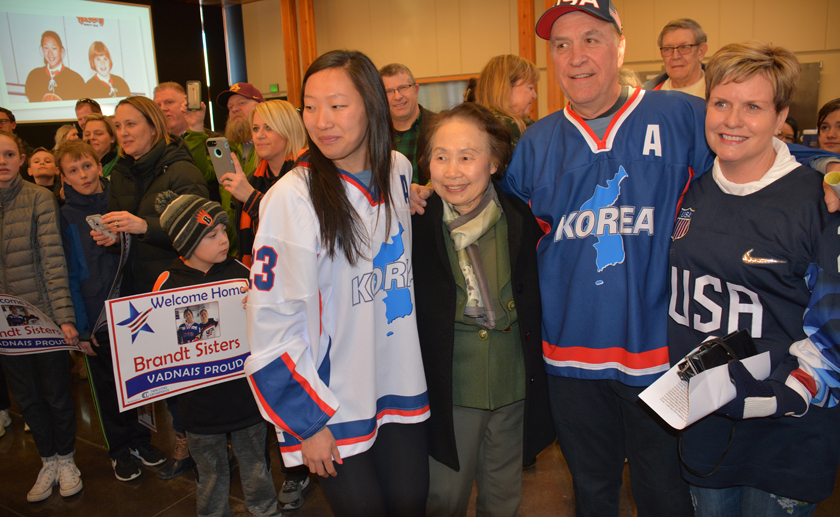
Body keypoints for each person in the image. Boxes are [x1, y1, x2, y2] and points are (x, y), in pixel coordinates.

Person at [408, 2, 840, 515]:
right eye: (561, 45)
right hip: (569, 362)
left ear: (620, 45)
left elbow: (747, 149)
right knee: (593, 494)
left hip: (662, 359)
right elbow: (486, 200)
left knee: (665, 495)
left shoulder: (679, 115)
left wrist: (829, 168)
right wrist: (423, 193)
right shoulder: (538, 142)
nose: (576, 56)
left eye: (591, 39)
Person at [244, 49, 430, 517]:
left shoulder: (400, 173)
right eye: (310, 106)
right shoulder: (292, 197)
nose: (321, 121)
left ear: (371, 104)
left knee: (411, 505)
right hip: (333, 405)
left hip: (400, 385)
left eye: (337, 105)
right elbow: (269, 322)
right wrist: (306, 424)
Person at [669, 41, 840, 516]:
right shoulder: (692, 186)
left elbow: (835, 331)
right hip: (703, 424)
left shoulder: (820, 202)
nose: (732, 120)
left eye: (753, 107)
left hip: (785, 435)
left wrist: (785, 393)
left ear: (781, 113)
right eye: (721, 103)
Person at [412, 102, 554, 516]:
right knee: (444, 497)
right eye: (441, 157)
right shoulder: (414, 222)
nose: (451, 171)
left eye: (466, 157)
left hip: (511, 384)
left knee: (504, 495)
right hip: (450, 386)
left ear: (494, 162)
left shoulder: (519, 219)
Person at [92, 95, 209, 480]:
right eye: (118, 126)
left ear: (154, 126)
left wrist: (144, 226)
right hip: (136, 288)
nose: (122, 133)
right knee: (163, 376)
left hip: (174, 288)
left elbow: (201, 225)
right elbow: (125, 223)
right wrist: (115, 234)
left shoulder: (181, 169)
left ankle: (195, 440)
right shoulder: (123, 170)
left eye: (131, 124)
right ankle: (184, 437)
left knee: (189, 376)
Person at [153, 191, 280, 517]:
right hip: (198, 406)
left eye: (224, 230)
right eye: (212, 234)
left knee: (256, 468)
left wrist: (255, 307)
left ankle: (266, 511)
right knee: (209, 474)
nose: (224, 239)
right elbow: (160, 347)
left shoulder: (242, 273)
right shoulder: (167, 284)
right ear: (186, 242)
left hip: (243, 399)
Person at [56, 139, 165, 481]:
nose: (83, 174)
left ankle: (140, 440)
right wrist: (81, 325)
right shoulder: (66, 216)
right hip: (95, 314)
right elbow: (69, 271)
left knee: (136, 378)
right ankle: (119, 449)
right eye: (73, 170)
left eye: (87, 165)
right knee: (106, 386)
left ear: (99, 165)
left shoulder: (117, 203)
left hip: (131, 309)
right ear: (64, 179)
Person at [0, 130, 83, 502]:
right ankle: (47, 460)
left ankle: (67, 461)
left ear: (21, 159)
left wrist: (64, 317)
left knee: (57, 396)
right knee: (28, 400)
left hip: (43, 318)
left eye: (8, 154)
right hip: (5, 329)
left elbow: (53, 260)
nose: (2, 161)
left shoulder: (40, 199)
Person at [220, 99, 307, 267]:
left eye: (269, 127)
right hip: (261, 274)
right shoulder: (253, 179)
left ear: (289, 130)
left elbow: (298, 230)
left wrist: (251, 198)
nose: (259, 135)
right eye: (255, 128)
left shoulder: (308, 172)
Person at [153, 82, 222, 203]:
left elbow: (202, 177)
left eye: (169, 102)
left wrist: (195, 126)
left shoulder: (213, 141)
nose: (163, 108)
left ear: (185, 104)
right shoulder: (153, 145)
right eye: (158, 105)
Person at [379, 63, 436, 183]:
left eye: (403, 87)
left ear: (415, 90)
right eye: (388, 91)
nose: (397, 96)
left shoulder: (439, 127)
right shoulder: (375, 135)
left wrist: (429, 190)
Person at [474, 54, 539, 147]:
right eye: (530, 87)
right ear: (506, 88)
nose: (534, 95)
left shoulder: (479, 121)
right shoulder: (506, 126)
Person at [643, 18, 708, 97]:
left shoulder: (720, 92)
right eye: (668, 49)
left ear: (701, 51)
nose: (675, 56)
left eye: (684, 47)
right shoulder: (646, 96)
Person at [25, 31, 85, 102]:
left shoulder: (75, 79)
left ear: (61, 51)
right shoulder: (33, 76)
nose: (50, 53)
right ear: (41, 50)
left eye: (54, 48)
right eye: (46, 48)